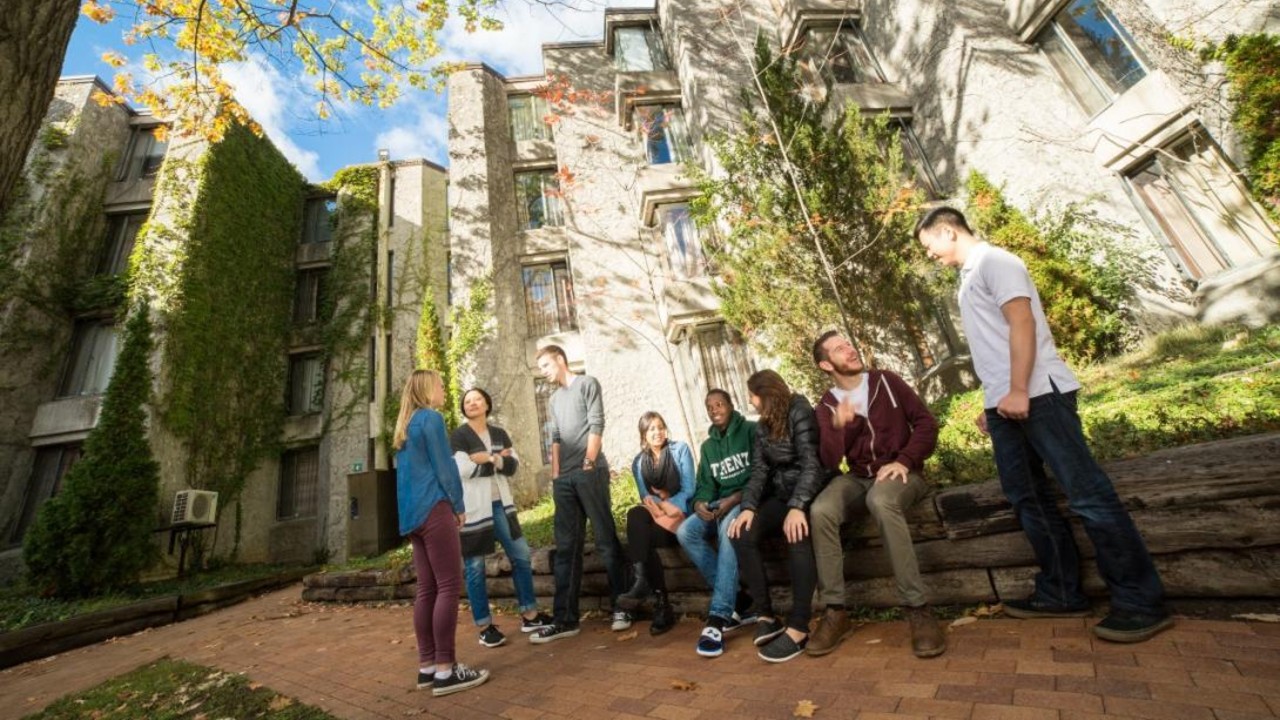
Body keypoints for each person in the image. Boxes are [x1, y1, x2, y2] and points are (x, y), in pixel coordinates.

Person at [915, 206, 1173, 643]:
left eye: (930, 247)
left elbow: (1022, 324)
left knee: (1087, 494)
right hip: (1008, 401)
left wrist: (1017, 389)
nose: (930, 255)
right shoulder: (970, 276)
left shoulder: (997, 261)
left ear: (947, 231)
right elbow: (995, 343)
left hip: (1040, 395)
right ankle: (1060, 592)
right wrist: (994, 400)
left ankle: (1140, 601)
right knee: (1025, 496)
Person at [807, 331, 946, 659]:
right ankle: (835, 612)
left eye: (848, 343)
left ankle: (917, 609)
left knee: (881, 501)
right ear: (827, 364)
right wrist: (838, 427)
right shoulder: (827, 405)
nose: (850, 349)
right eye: (839, 349)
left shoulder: (886, 381)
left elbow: (927, 424)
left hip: (903, 473)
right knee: (821, 510)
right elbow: (828, 461)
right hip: (858, 478)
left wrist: (904, 460)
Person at [393, 369, 489, 696]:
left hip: (412, 517)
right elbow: (444, 467)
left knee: (427, 589)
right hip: (434, 508)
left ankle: (428, 668)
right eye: (438, 384)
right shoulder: (431, 419)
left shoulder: (405, 426)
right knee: (449, 585)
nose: (443, 389)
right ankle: (447, 671)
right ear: (425, 389)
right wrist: (458, 504)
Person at [529, 345, 630, 643]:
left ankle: (622, 607)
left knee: (606, 540)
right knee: (566, 549)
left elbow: (597, 423)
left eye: (546, 365)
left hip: (590, 472)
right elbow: (556, 437)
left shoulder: (587, 383)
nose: (544, 372)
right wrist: (556, 474)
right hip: (565, 481)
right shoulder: (554, 399)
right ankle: (565, 619)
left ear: (560, 360)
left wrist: (588, 462)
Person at [727, 369, 824, 663]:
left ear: (765, 394)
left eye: (752, 396)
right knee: (742, 533)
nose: (751, 402)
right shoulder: (762, 427)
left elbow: (812, 464)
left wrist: (798, 506)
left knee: (796, 533)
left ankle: (799, 626)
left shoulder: (800, 410)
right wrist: (748, 508)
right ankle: (766, 616)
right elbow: (759, 471)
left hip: (809, 492)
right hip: (782, 495)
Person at [450, 387, 553, 649]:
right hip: (474, 509)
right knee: (475, 568)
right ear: (464, 407)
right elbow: (461, 468)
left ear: (487, 404)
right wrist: (497, 462)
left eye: (477, 399)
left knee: (521, 556)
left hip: (501, 506)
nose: (472, 403)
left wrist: (488, 458)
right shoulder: (459, 436)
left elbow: (513, 466)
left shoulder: (499, 434)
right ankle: (485, 626)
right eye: (467, 400)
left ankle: (529, 614)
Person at [677, 389, 757, 658]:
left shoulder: (750, 431)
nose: (714, 409)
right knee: (686, 531)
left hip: (744, 502)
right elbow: (705, 485)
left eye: (719, 404)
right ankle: (741, 599)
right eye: (709, 407)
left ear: (731, 405)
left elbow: (762, 474)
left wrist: (734, 499)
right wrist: (700, 503)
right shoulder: (708, 447)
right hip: (718, 503)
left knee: (727, 529)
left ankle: (719, 617)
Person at [616, 411, 695, 636]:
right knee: (636, 516)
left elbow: (689, 489)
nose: (657, 432)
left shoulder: (680, 450)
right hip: (657, 518)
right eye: (651, 429)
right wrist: (660, 503)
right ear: (643, 435)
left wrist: (668, 503)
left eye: (660, 427)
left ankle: (655, 597)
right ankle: (657, 597)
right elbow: (646, 498)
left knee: (642, 535)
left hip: (680, 517)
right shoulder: (639, 462)